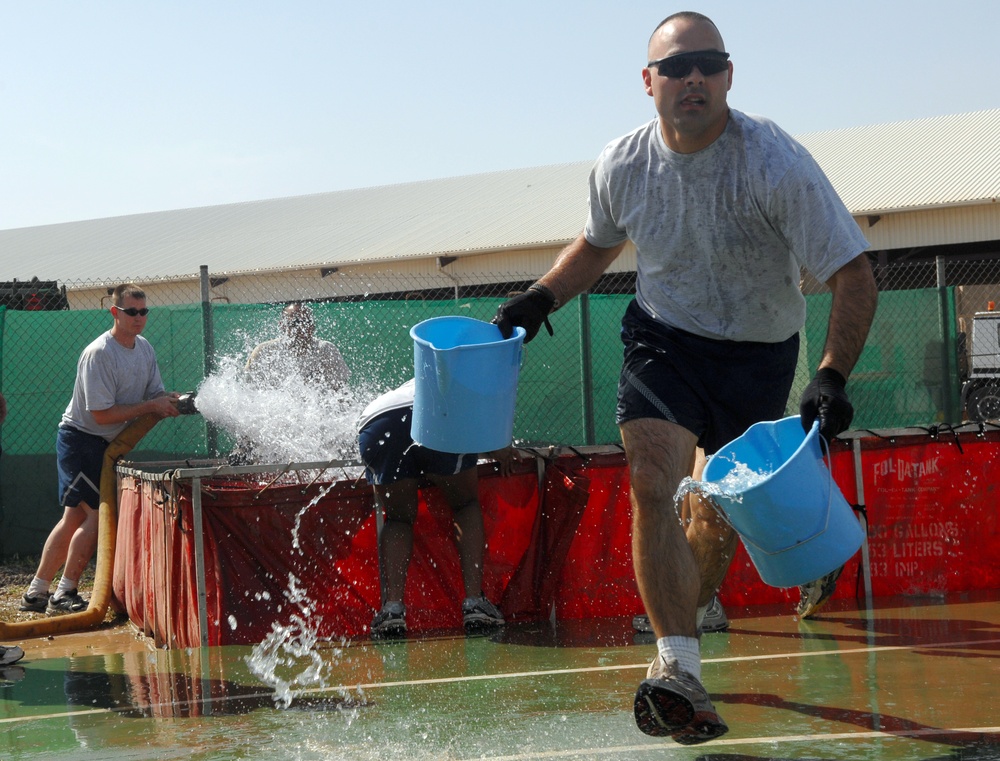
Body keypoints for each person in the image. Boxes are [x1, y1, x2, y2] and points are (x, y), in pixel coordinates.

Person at [493, 12, 877, 745]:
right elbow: (598, 242)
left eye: (708, 64)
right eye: (676, 67)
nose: (692, 78)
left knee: (713, 513)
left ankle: (695, 633)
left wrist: (830, 374)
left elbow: (854, 273)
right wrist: (542, 294)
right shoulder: (622, 164)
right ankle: (676, 667)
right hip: (663, 340)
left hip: (759, 353)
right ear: (650, 83)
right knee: (651, 475)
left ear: (729, 76)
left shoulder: (777, 164)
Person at [20, 284, 182, 616]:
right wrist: (151, 405)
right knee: (95, 515)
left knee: (74, 517)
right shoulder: (99, 353)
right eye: (131, 312)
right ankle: (64, 592)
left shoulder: (144, 349)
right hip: (80, 440)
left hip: (103, 444)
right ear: (115, 313)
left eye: (143, 312)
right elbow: (101, 414)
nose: (139, 318)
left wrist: (168, 401)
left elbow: (155, 392)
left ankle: (36, 592)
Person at [358, 379, 512, 637]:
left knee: (398, 517)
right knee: (465, 504)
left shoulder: (423, 377)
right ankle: (474, 602)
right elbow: (481, 427)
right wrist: (498, 448)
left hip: (377, 418)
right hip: (433, 414)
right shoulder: (479, 375)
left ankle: (392, 609)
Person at [245, 302, 350, 391]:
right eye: (295, 322)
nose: (302, 327)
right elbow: (250, 389)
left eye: (307, 322)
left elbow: (341, 390)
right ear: (282, 325)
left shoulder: (325, 350)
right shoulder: (265, 351)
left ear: (313, 326)